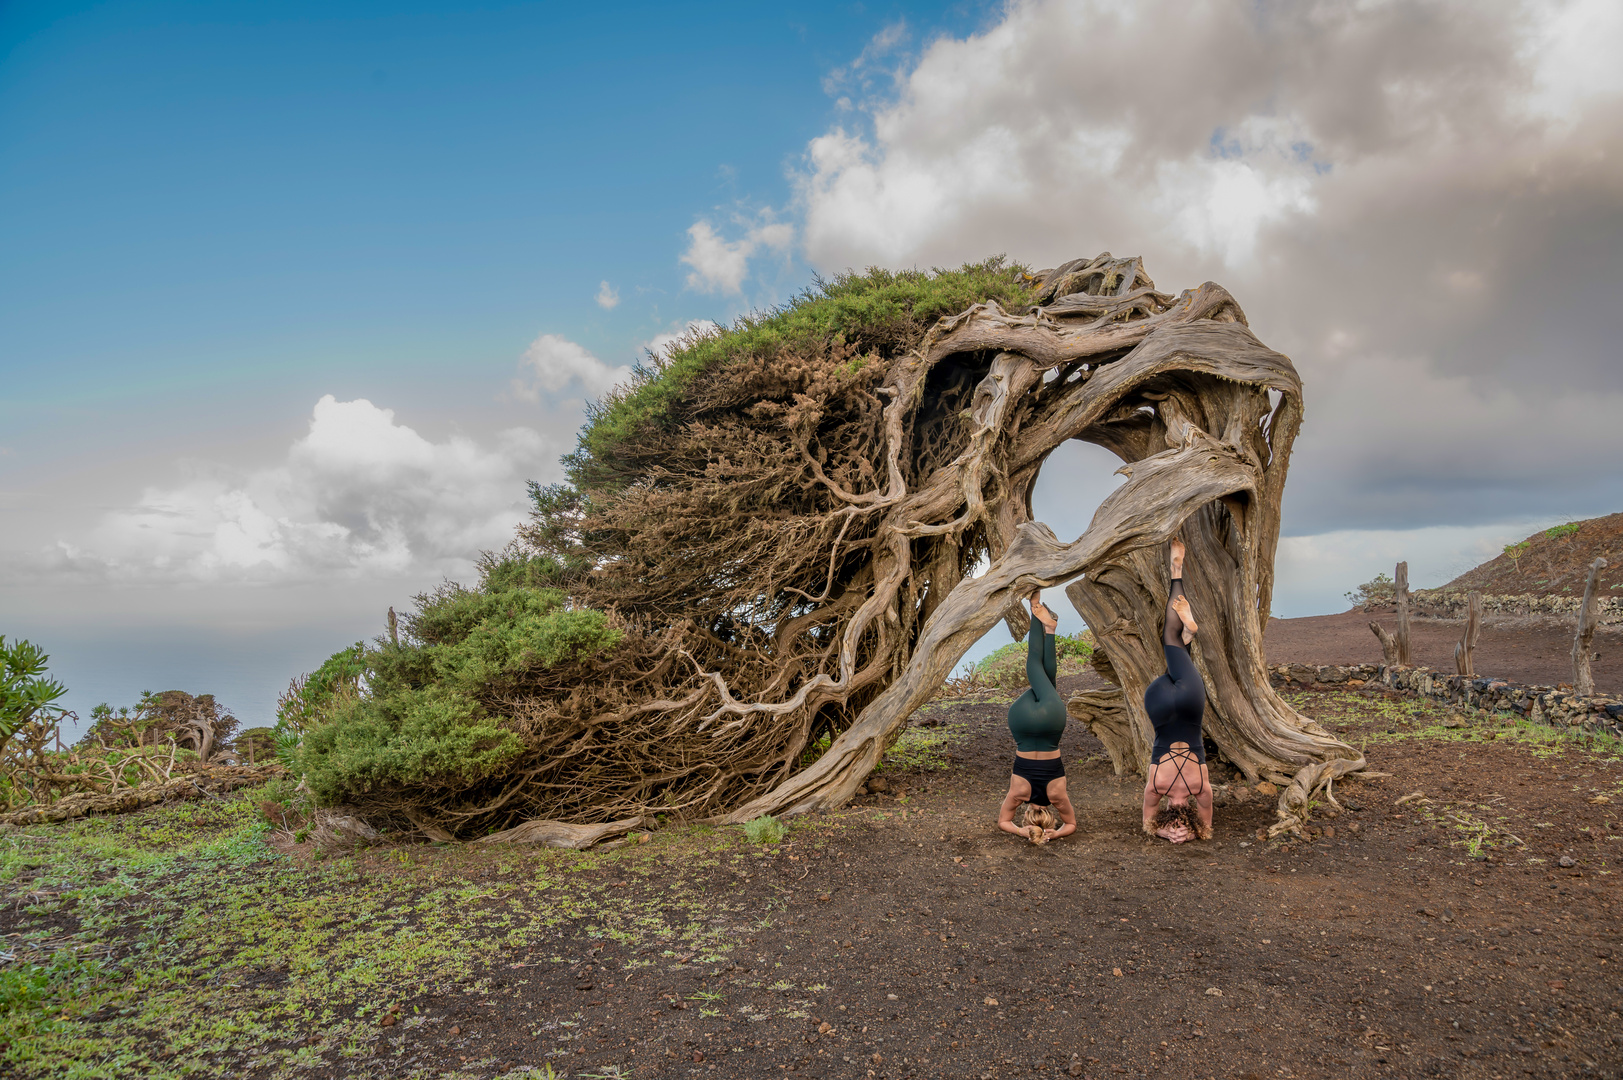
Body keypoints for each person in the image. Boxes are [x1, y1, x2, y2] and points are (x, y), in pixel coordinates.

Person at [1141, 537, 1213, 843]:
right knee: (1171, 643)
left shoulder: (1200, 787)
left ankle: (1177, 575)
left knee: (1175, 646)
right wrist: (1162, 831)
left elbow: (1207, 827)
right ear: (1169, 811)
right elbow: (1147, 820)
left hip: (1189, 704)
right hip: (1157, 701)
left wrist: (1195, 833)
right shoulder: (1157, 786)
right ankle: (1186, 633)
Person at [998, 592, 1077, 845]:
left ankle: (1049, 627)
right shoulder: (1018, 793)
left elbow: (1072, 824)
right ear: (1027, 816)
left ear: (1050, 817)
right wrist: (1021, 832)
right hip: (1021, 722)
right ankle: (1036, 607)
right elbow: (1003, 822)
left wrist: (1058, 832)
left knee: (1047, 682)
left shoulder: (1058, 796)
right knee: (1035, 667)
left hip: (1051, 721)